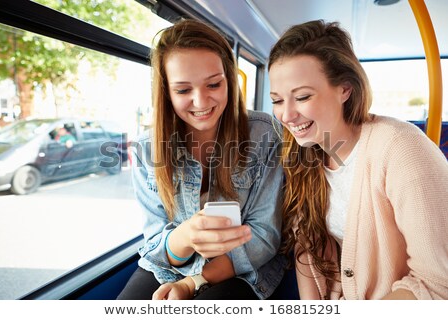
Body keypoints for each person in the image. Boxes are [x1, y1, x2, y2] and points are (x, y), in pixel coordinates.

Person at [268, 20, 448, 299]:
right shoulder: (304, 154)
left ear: (345, 89)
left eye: (302, 96)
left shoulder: (401, 149)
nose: (287, 115)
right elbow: (308, 246)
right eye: (277, 100)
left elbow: (438, 283)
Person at [117, 19, 284, 300]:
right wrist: (185, 236)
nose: (201, 101)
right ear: (167, 92)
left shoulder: (264, 133)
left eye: (214, 84)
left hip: (244, 268)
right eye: (183, 90)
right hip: (170, 267)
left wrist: (194, 282)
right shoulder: (147, 149)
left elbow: (264, 236)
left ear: (229, 80)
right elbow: (155, 241)